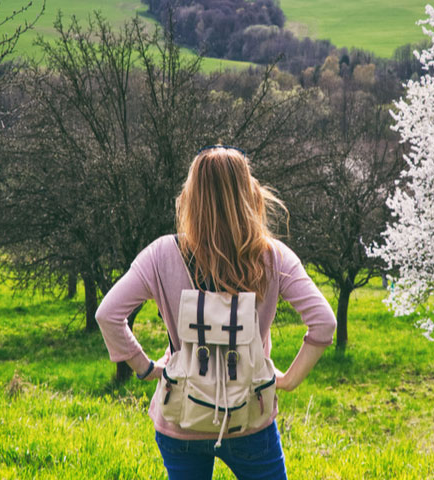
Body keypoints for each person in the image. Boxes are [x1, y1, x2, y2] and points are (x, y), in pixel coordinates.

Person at [95, 145, 337, 480]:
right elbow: (324, 322)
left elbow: (107, 314)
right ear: (248, 193)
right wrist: (289, 380)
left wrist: (145, 367)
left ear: (190, 197)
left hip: (182, 418)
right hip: (250, 419)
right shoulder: (273, 257)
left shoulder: (162, 254)